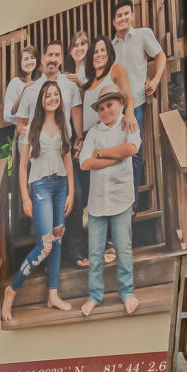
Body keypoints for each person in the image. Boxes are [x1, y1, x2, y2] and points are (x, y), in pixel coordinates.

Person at [78, 68, 142, 314]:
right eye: (101, 108)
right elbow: (85, 163)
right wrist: (114, 158)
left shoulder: (128, 124)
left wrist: (102, 153)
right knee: (95, 251)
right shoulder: (94, 133)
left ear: (120, 103)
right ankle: (94, 295)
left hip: (121, 197)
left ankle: (127, 292)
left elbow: (130, 150)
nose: (106, 111)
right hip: (97, 200)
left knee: (123, 247)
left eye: (110, 105)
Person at [11, 77, 78, 313]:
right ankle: (12, 290)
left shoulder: (64, 124)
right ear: (41, 99)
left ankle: (53, 295)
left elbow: (67, 159)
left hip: (61, 186)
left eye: (56, 95)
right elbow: (22, 166)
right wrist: (25, 197)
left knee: (57, 240)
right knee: (45, 245)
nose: (52, 98)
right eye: (48, 95)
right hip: (41, 188)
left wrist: (71, 191)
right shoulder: (30, 128)